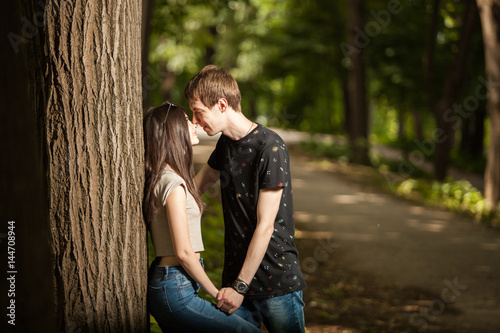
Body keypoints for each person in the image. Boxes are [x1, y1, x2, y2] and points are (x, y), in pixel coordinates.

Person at [185, 65, 306, 333]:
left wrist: (241, 285)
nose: (195, 120)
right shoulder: (225, 144)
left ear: (222, 104)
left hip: (275, 283)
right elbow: (196, 187)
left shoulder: (270, 146)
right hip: (235, 281)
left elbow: (266, 225)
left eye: (198, 111)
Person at [143, 102, 262, 333]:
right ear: (173, 131)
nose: (193, 124)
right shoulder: (173, 184)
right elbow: (184, 253)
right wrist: (217, 293)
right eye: (187, 121)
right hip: (176, 289)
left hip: (174, 285)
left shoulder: (165, 176)